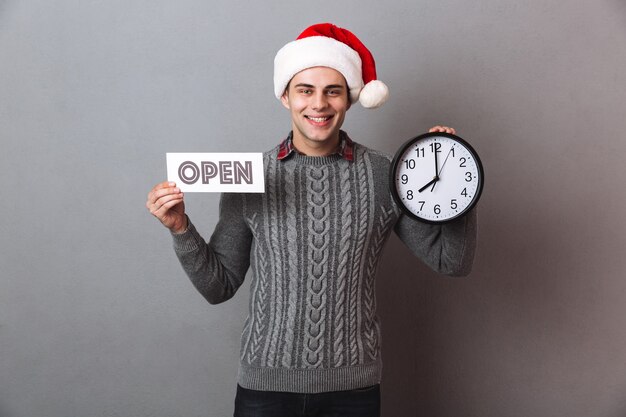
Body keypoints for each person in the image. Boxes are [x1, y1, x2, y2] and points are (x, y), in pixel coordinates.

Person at [146, 23, 477, 417]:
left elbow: (451, 261)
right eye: (305, 90)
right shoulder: (251, 177)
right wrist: (181, 228)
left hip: (352, 391)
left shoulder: (384, 174)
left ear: (349, 99)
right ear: (285, 96)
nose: (318, 104)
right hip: (264, 389)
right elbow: (219, 286)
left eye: (332, 91)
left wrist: (458, 182)